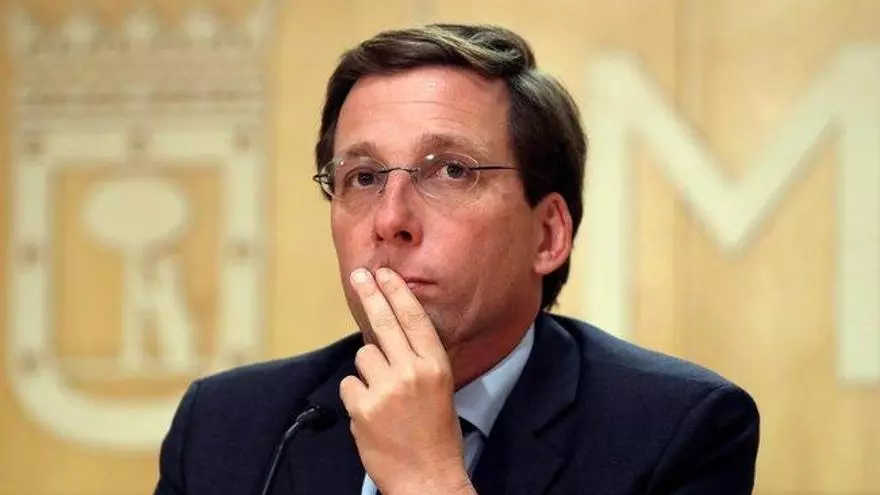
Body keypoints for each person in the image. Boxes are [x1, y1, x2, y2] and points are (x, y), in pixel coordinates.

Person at [154, 23, 760, 495]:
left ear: (548, 234)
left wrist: (429, 479)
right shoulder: (225, 429)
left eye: (450, 171)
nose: (390, 219)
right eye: (363, 177)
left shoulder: (676, 431)